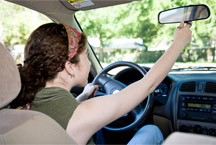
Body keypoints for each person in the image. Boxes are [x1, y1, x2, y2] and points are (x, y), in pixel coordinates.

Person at [10, 21, 192, 145]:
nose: (89, 64)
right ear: (69, 67)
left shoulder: (26, 99)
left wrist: (81, 98)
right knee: (152, 132)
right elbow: (148, 85)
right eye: (86, 56)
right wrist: (179, 42)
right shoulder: (79, 115)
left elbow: (63, 117)